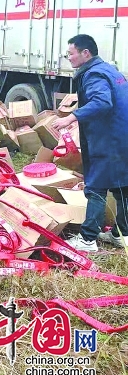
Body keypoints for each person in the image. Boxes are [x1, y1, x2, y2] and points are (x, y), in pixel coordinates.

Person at [51, 34, 128, 253]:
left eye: (71, 53)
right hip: (122, 135)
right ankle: (121, 234)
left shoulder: (94, 74)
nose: (69, 58)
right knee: (123, 185)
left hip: (109, 139)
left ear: (86, 53)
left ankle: (87, 239)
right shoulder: (109, 69)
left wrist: (70, 117)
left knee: (96, 186)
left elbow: (102, 102)